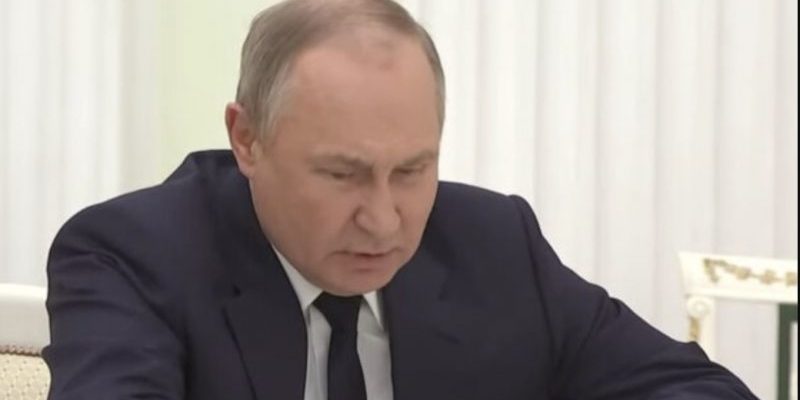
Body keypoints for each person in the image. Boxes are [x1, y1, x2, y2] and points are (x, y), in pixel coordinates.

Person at [44, 0, 757, 399]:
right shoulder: (133, 257)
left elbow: (695, 390)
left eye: (413, 170)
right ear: (247, 139)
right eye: (342, 174)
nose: (384, 220)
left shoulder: (493, 243)